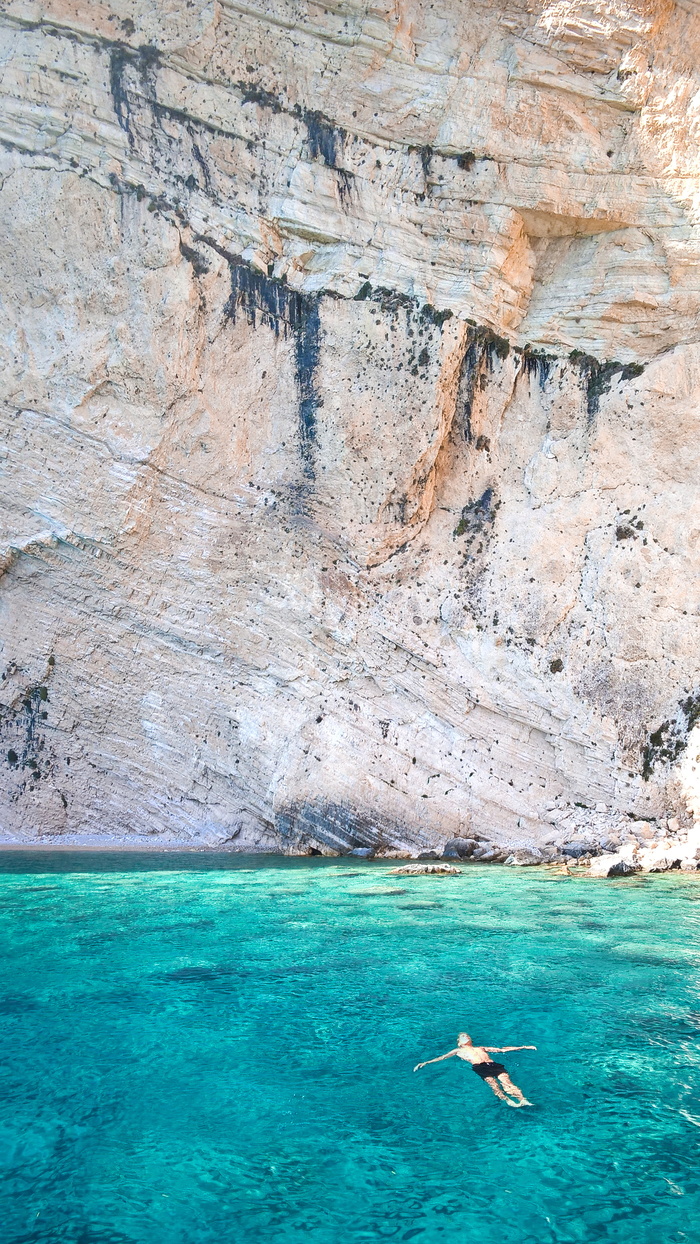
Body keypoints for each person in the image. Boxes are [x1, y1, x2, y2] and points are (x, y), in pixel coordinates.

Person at [414, 1031, 536, 1106]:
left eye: (467, 1035)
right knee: (494, 1084)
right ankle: (508, 1101)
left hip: (493, 1064)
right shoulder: (458, 1051)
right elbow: (443, 1057)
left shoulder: (480, 1048)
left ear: (470, 1039)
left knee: (507, 1082)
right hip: (480, 1067)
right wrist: (426, 1062)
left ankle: (522, 1099)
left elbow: (501, 1049)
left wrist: (524, 1047)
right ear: (459, 1042)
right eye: (462, 1036)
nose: (465, 1036)